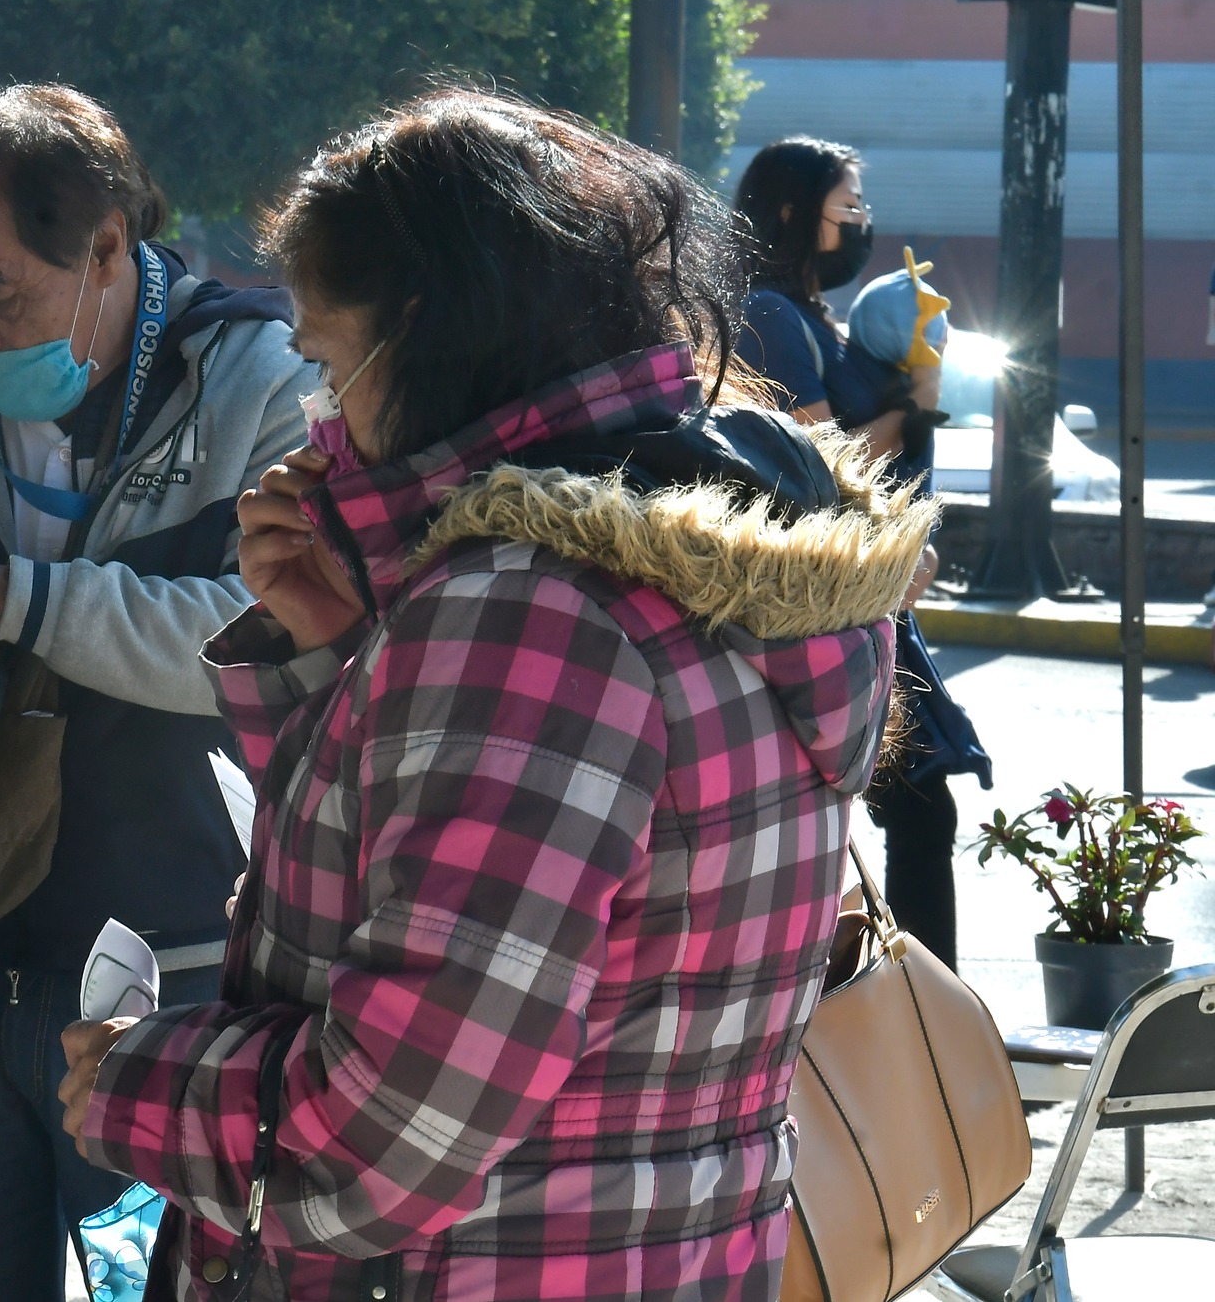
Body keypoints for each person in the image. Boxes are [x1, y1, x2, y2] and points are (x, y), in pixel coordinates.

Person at [57, 89, 935, 1300]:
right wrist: (341, 644)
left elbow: (380, 1145)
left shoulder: (529, 615)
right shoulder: (690, 557)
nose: (322, 416)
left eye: (322, 359)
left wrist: (135, 1081)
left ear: (416, 329)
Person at [0, 84, 313, 1300]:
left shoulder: (262, 383)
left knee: (177, 1281)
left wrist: (12, 602)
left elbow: (268, 642)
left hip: (181, 965)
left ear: (105, 246)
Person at [734, 137, 991, 967]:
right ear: (790, 213)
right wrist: (914, 404)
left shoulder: (811, 317)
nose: (861, 224)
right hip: (823, 603)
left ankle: (919, 1011)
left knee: (911, 809)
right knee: (911, 809)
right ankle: (927, 1023)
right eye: (847, 209)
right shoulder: (770, 315)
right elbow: (819, 467)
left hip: (863, 596)